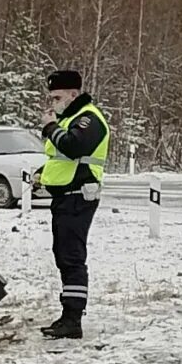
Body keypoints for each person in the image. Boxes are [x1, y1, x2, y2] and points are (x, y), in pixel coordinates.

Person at [38, 70, 110, 340]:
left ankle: (73, 319)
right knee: (64, 255)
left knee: (72, 257)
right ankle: (67, 316)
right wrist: (42, 175)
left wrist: (50, 127)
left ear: (73, 94)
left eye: (57, 97)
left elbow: (73, 147)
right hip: (66, 196)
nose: (54, 103)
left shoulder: (89, 119)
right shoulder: (71, 119)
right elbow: (61, 160)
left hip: (80, 196)